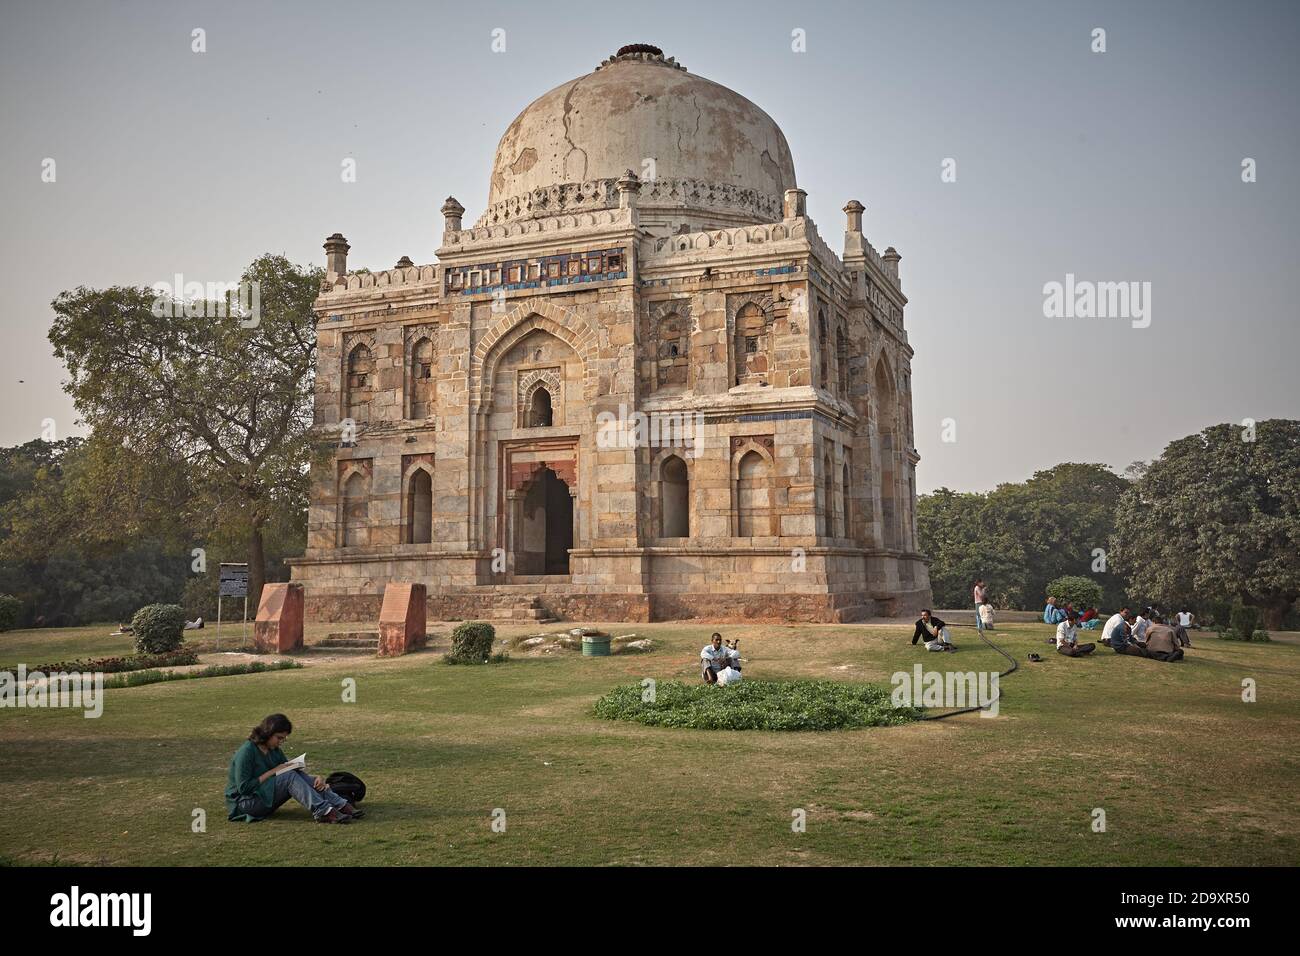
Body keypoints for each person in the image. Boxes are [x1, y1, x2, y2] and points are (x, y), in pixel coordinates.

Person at [226, 714, 361, 823]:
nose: (280, 742)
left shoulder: (273, 750)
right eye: (279, 738)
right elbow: (244, 788)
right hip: (246, 805)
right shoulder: (246, 752)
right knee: (288, 776)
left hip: (265, 797)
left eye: (283, 739)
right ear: (268, 733)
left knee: (293, 772)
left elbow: (292, 774)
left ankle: (340, 805)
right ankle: (323, 811)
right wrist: (273, 771)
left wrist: (316, 779)